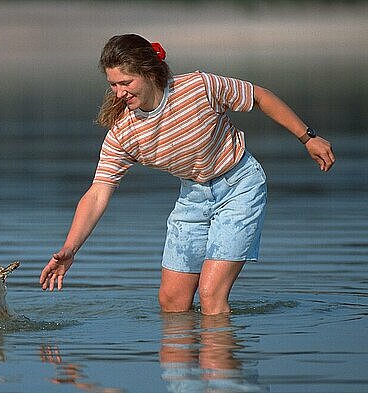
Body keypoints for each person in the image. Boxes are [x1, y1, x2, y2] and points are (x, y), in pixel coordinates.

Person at [39, 34, 335, 315]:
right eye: (113, 85)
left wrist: (307, 138)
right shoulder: (123, 132)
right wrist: (70, 248)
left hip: (239, 186)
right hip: (192, 197)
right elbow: (98, 192)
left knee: (210, 295)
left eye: (126, 82)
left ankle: (216, 365)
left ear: (149, 71)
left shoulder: (198, 88)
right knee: (172, 302)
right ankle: (179, 364)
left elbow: (259, 97)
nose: (119, 92)